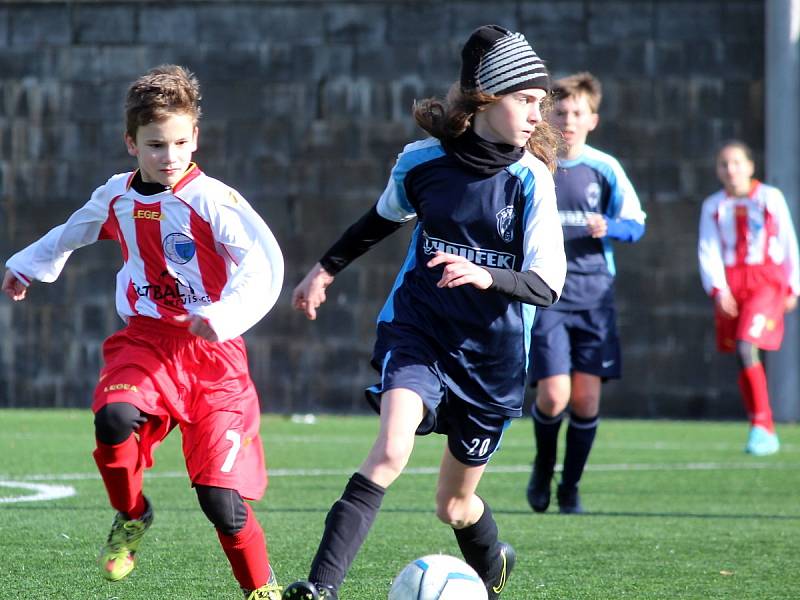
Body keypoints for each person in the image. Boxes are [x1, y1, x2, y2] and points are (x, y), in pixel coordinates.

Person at [281, 25, 566, 600]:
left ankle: (492, 565)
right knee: (390, 449)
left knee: (454, 506)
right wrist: (325, 270)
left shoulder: (530, 179)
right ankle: (320, 588)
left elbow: (547, 283)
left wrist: (488, 276)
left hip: (493, 357)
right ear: (488, 95)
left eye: (542, 103)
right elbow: (381, 218)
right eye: (527, 100)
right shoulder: (422, 163)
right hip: (420, 332)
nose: (539, 115)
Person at [2, 65, 285, 600]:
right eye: (156, 144)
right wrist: (25, 266)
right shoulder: (116, 196)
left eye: (181, 142)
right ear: (131, 144)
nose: (170, 155)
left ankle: (261, 589)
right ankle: (132, 515)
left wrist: (220, 316)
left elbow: (263, 265)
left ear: (195, 138)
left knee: (220, 501)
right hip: (147, 343)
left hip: (214, 357)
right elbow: (72, 233)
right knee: (112, 417)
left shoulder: (215, 201)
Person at [526, 72, 646, 515]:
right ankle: (542, 466)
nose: (568, 120)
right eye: (560, 112)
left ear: (592, 119)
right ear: (547, 117)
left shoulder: (605, 168)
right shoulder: (534, 163)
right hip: (548, 294)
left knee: (586, 400)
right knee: (554, 396)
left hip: (595, 296)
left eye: (577, 113)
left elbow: (636, 222)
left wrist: (610, 227)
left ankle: (570, 486)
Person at [698, 140, 799, 456]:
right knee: (743, 353)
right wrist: (718, 288)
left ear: (751, 167)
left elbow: (787, 239)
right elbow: (708, 249)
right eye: (724, 165)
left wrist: (794, 285)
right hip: (732, 283)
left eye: (737, 163)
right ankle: (760, 426)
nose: (731, 170)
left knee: (746, 345)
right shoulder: (714, 206)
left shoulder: (770, 198)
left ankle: (763, 425)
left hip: (766, 281)